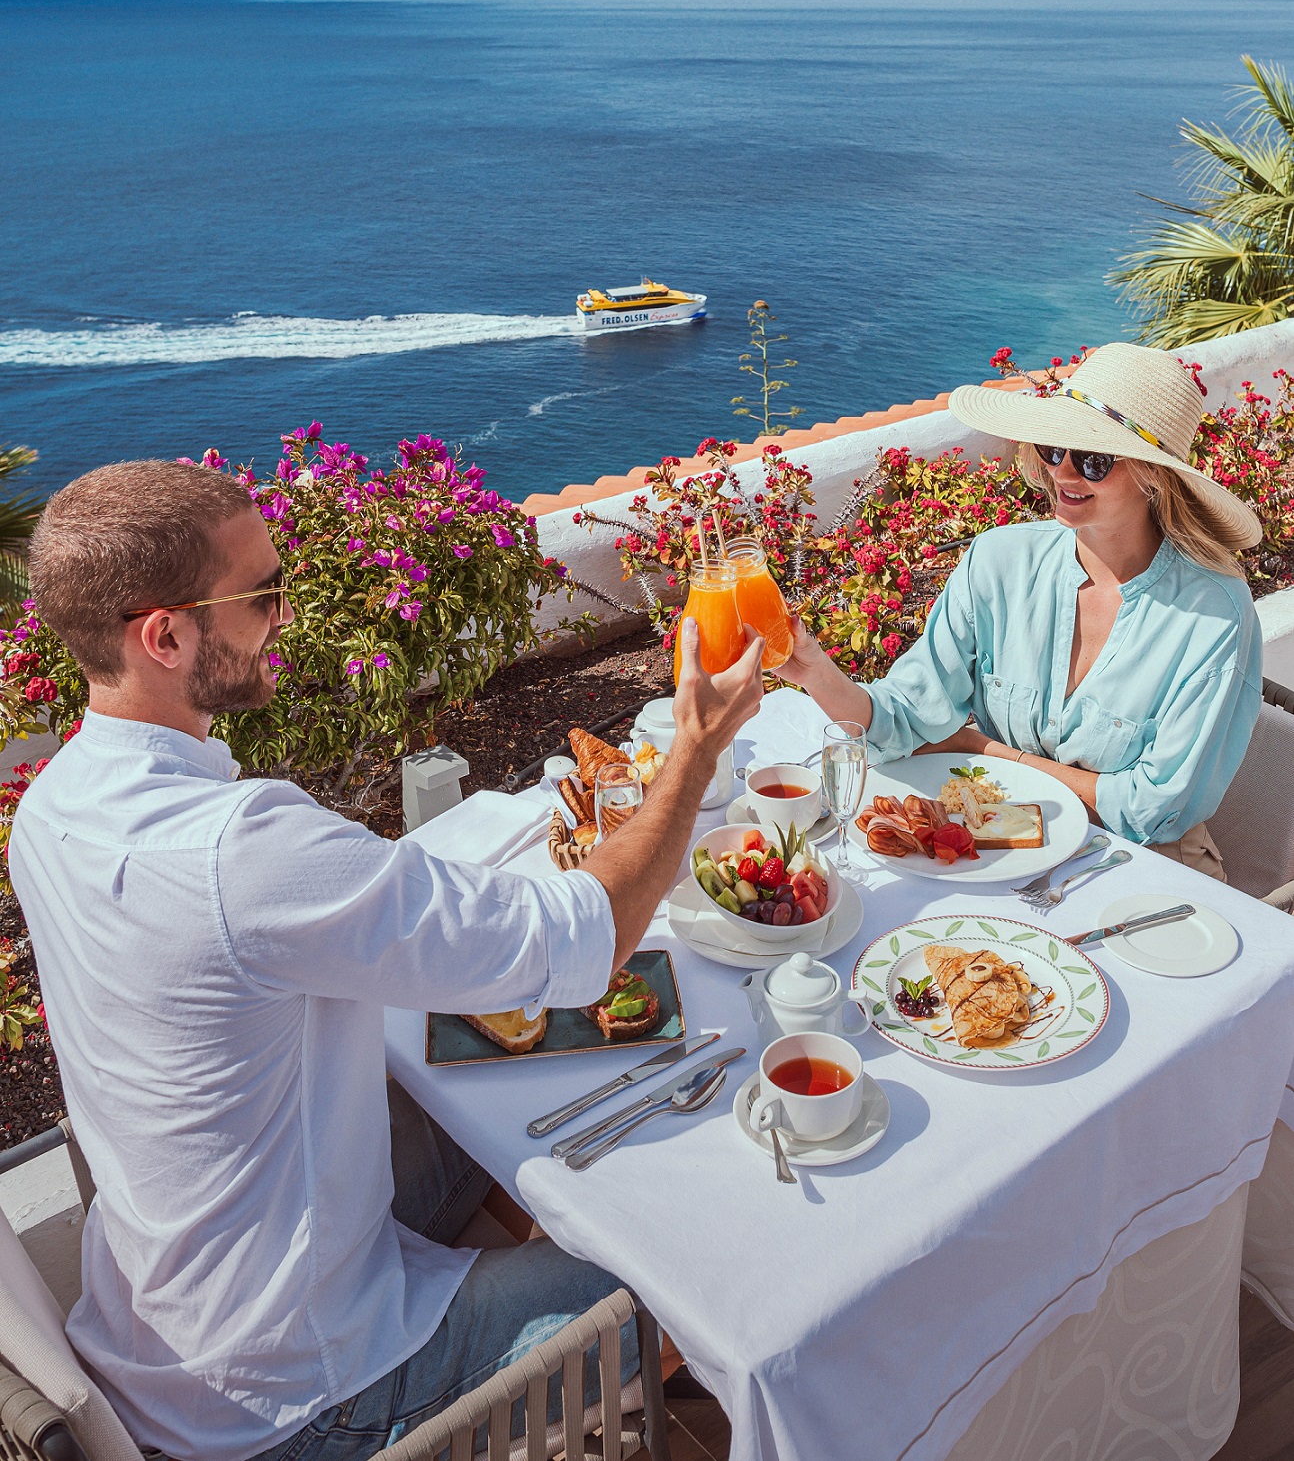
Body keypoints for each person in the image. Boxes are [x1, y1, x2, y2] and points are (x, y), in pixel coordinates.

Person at [7, 459, 765, 1461]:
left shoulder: (54, 805)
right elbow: (578, 940)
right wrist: (695, 751)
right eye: (263, 594)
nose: (285, 615)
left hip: (178, 1315)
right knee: (714, 1280)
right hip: (302, 1393)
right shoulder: (239, 851)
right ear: (165, 635)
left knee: (508, 1093)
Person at [779, 342, 1264, 879]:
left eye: (1095, 460)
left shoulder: (1214, 614)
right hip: (1002, 844)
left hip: (1143, 868)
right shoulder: (998, 560)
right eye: (1055, 449)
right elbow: (902, 718)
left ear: (1154, 475)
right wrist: (813, 671)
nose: (1064, 472)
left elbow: (1153, 809)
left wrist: (983, 750)